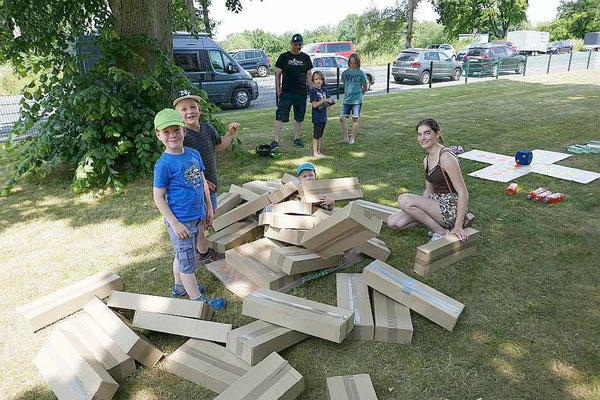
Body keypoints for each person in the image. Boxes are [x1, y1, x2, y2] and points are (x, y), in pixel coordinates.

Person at [152, 108, 214, 300]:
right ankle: (197, 299)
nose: (172, 136)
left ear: (184, 131)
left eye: (176, 130)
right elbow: (158, 197)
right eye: (166, 132)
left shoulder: (194, 154)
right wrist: (175, 223)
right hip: (181, 222)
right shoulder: (164, 164)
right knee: (188, 264)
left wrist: (209, 208)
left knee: (182, 255)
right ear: (158, 135)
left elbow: (202, 182)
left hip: (197, 216)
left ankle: (179, 288)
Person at [174, 89, 240, 262]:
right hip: (196, 185)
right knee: (201, 219)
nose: (190, 112)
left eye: (193, 107)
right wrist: (200, 180)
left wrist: (230, 133)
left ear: (199, 110)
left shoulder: (208, 129)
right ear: (177, 114)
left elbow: (221, 146)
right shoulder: (182, 137)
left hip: (211, 183)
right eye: (184, 109)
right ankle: (202, 251)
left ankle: (200, 245)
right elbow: (183, 164)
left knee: (210, 214)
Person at [387, 118, 470, 242]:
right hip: (435, 203)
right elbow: (429, 190)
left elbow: (463, 192)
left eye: (427, 133)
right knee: (394, 222)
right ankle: (434, 223)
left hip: (451, 207)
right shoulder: (426, 159)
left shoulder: (446, 157)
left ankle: (441, 232)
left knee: (403, 199)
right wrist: (417, 210)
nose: (422, 138)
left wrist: (458, 226)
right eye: (419, 134)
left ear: (437, 134)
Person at [272, 33, 313, 150]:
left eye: (299, 45)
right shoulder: (284, 57)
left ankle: (297, 138)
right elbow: (277, 74)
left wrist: (313, 91)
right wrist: (278, 91)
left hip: (301, 93)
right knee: (280, 116)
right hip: (286, 93)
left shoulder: (305, 58)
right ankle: (275, 141)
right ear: (291, 43)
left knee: (299, 117)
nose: (297, 47)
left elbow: (309, 75)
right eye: (295, 44)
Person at [339, 53, 368, 145]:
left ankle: (352, 138)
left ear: (358, 63)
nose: (352, 65)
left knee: (355, 119)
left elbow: (364, 87)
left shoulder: (361, 73)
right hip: (347, 100)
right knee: (342, 118)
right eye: (351, 63)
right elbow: (345, 84)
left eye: (354, 63)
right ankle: (346, 137)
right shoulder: (345, 73)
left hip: (356, 101)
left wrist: (360, 95)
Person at [309, 71, 334, 158]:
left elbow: (329, 99)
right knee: (316, 135)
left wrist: (330, 103)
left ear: (323, 80)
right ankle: (315, 153)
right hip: (317, 117)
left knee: (320, 135)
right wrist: (324, 100)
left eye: (320, 79)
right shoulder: (313, 91)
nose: (318, 81)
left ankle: (319, 151)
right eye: (316, 79)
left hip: (323, 116)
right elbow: (314, 104)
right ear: (313, 81)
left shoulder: (324, 90)